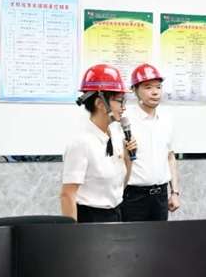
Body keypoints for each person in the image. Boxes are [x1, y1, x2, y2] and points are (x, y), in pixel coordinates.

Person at [61, 64, 136, 223]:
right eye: (119, 101)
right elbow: (67, 195)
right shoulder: (81, 142)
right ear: (100, 103)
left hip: (116, 213)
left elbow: (121, 184)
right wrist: (71, 233)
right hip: (91, 219)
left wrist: (129, 157)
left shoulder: (116, 134)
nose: (123, 108)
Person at [120, 64, 180, 222]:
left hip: (161, 195)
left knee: (159, 237)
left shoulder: (167, 119)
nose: (155, 92)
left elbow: (170, 157)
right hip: (133, 196)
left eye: (158, 87)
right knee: (132, 237)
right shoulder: (125, 119)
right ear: (135, 90)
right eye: (148, 87)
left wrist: (174, 192)